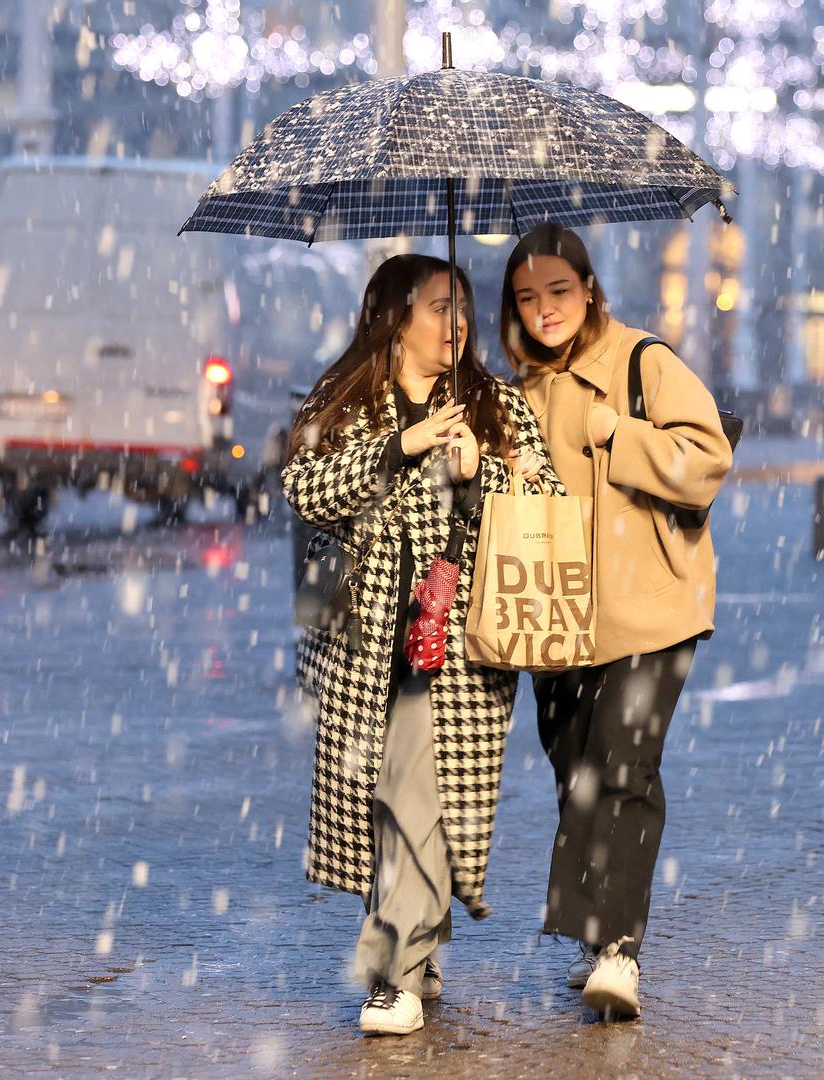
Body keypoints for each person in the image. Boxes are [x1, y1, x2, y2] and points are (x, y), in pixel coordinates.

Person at [283, 253, 559, 1037]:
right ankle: (410, 954)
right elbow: (304, 489)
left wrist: (481, 477)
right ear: (394, 319)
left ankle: (395, 970)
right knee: (388, 803)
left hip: (462, 643)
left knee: (427, 799)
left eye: (463, 308)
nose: (457, 324)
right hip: (364, 642)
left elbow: (548, 502)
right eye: (439, 307)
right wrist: (397, 451)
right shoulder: (345, 401)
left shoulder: (493, 404)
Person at [499, 222, 733, 1020]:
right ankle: (597, 928)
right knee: (575, 769)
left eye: (558, 291)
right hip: (555, 612)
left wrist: (618, 434)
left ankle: (616, 950)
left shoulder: (642, 362)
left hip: (652, 607)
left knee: (623, 766)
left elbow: (706, 457)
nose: (545, 310)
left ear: (589, 288)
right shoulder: (517, 391)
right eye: (527, 298)